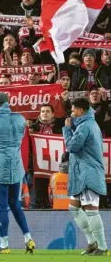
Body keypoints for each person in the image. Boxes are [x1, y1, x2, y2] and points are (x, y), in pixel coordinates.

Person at [0, 92, 34, 254]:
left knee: (1, 207)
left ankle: (4, 245)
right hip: (16, 168)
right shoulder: (20, 119)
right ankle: (28, 238)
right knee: (15, 205)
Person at [64, 98, 108, 256]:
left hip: (89, 172)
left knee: (91, 210)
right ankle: (92, 242)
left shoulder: (86, 126)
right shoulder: (86, 124)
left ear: (81, 110)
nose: (71, 113)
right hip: (82, 173)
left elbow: (72, 146)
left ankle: (102, 247)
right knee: (74, 208)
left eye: (73, 110)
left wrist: (67, 129)